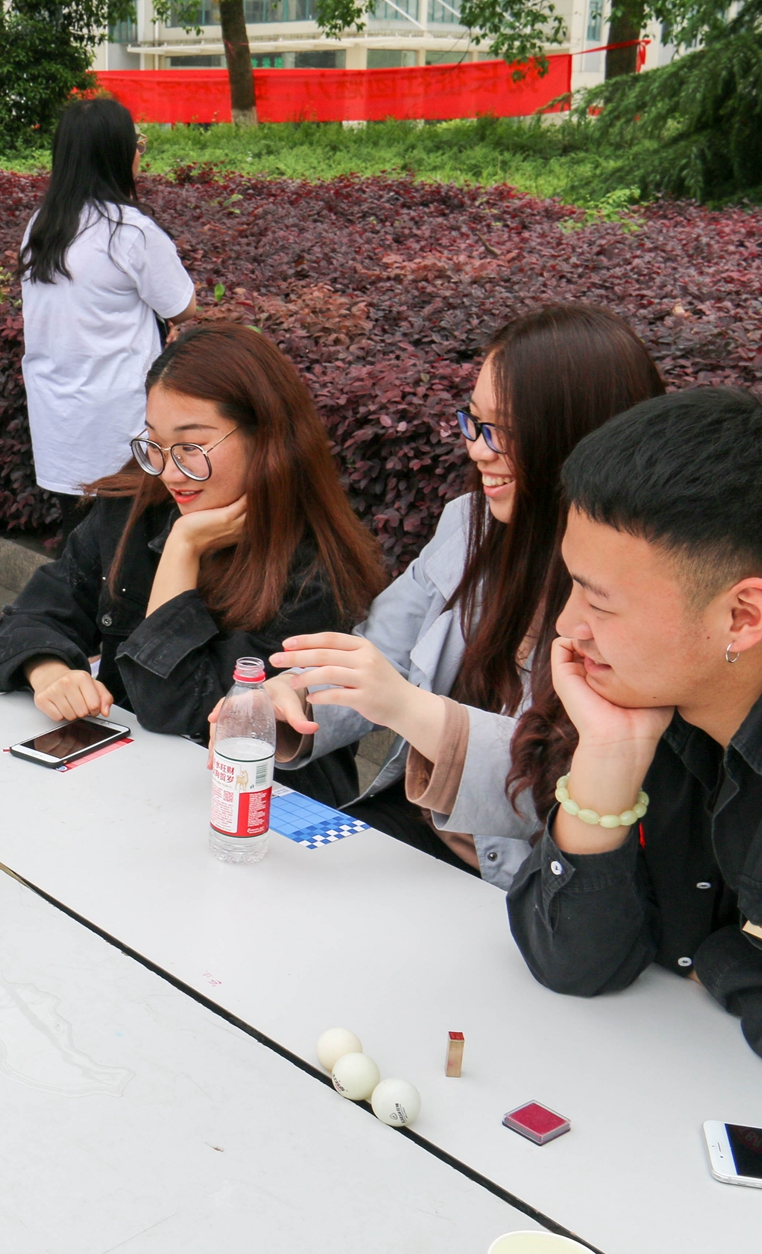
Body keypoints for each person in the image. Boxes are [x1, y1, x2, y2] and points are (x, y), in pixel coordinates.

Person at [260, 305, 665, 885]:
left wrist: (408, 707)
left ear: (580, 438)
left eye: (504, 431)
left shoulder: (641, 590)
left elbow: (567, 783)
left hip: (525, 879)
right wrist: (288, 703)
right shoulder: (470, 524)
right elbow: (381, 653)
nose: (478, 450)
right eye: (473, 421)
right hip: (418, 824)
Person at [503, 388, 762, 1093]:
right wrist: (609, 755)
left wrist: (725, 960)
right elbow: (574, 961)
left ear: (743, 616)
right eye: (572, 587)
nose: (568, 626)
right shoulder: (660, 697)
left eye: (599, 601)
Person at [0, 322, 385, 808]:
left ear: (266, 437)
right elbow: (30, 616)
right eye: (155, 444)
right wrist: (48, 670)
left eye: (192, 447)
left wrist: (181, 548)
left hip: (263, 808)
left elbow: (174, 707)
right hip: (129, 787)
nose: (170, 473)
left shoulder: (315, 572)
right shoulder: (133, 510)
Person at [19, 97, 195, 545]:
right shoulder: (129, 230)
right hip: (121, 426)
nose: (140, 151)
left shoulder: (42, 227)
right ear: (116, 155)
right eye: (137, 143)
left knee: (80, 550)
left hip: (59, 421)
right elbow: (183, 307)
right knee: (126, 556)